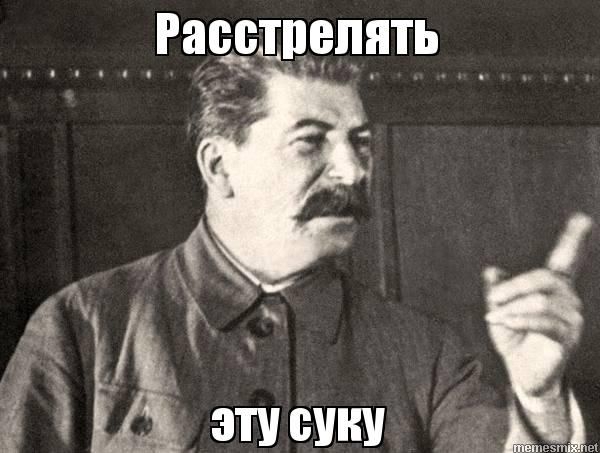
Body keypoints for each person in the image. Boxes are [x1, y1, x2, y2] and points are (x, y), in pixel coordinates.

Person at [0, 51, 589, 451]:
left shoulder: (428, 356)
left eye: (361, 143)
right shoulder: (81, 327)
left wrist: (541, 405)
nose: (352, 171)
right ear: (219, 166)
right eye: (311, 142)